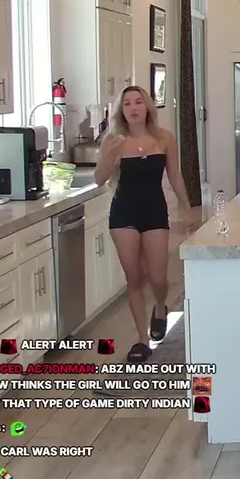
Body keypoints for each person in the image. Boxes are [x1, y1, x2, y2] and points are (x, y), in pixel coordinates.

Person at [93, 86, 193, 362]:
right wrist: (109, 155)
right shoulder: (113, 140)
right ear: (121, 110)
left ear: (147, 107)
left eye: (138, 102)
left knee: (158, 277)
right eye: (127, 103)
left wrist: (187, 209)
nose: (133, 108)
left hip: (154, 212)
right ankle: (142, 339)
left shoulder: (164, 138)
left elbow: (175, 175)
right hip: (123, 214)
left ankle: (160, 306)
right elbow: (99, 179)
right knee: (134, 277)